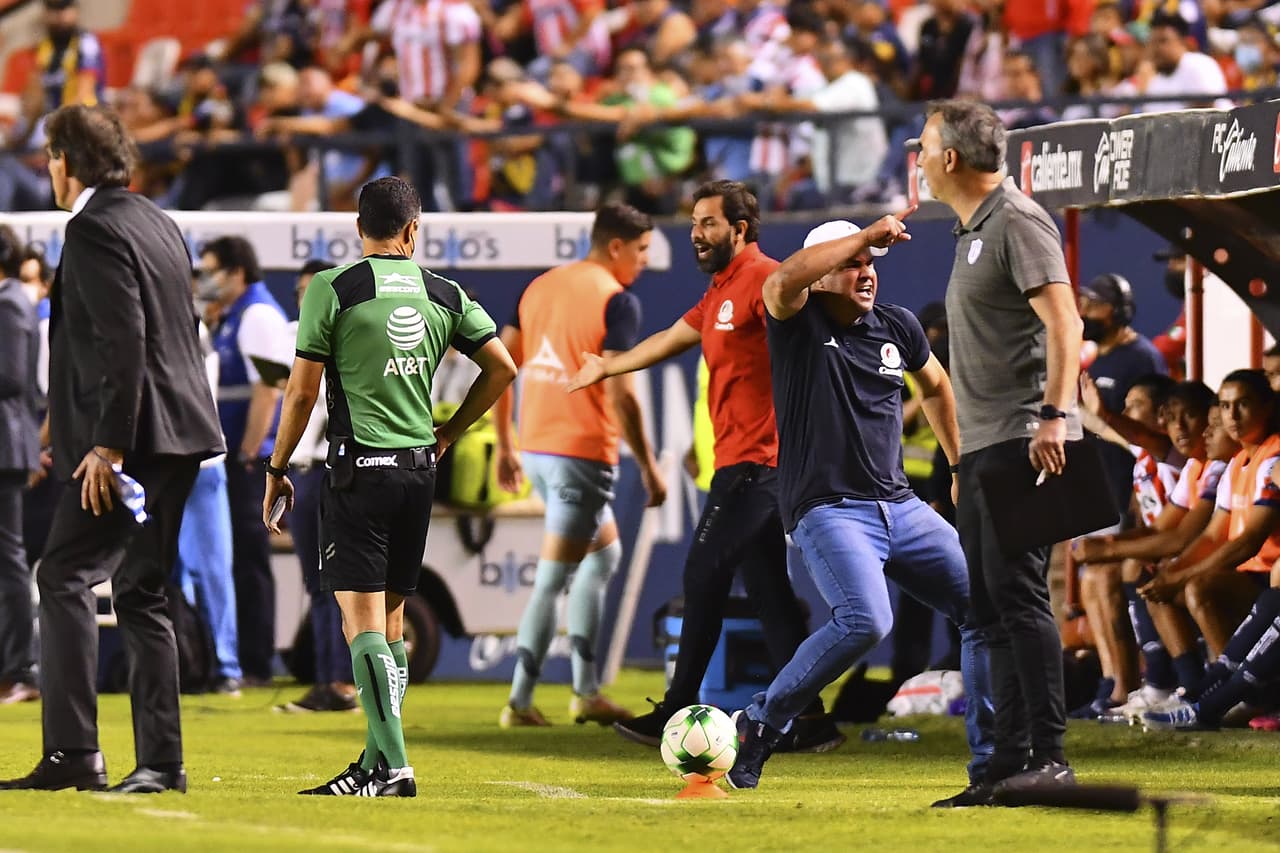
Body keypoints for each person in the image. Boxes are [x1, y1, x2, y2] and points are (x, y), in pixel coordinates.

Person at [722, 217, 994, 798]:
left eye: (869, 264)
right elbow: (782, 280)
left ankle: (994, 764)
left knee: (986, 609)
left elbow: (936, 385)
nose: (866, 273)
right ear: (821, 275)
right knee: (866, 621)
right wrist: (866, 234)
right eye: (850, 265)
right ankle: (763, 722)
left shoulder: (897, 325)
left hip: (901, 505)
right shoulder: (796, 320)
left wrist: (958, 466)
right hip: (829, 510)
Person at [263, 176, 516, 797]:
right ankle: (374, 763)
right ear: (413, 229)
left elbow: (301, 391)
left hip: (358, 472)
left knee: (361, 627)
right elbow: (502, 367)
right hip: (418, 472)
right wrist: (450, 431)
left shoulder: (333, 287)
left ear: (358, 229)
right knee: (392, 627)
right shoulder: (445, 292)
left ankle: (396, 764)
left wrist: (277, 467)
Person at [570, 180, 841, 754]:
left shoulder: (765, 279)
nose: (696, 233)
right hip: (739, 462)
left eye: (708, 223)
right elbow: (672, 337)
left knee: (702, 574)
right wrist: (608, 367)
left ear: (740, 229)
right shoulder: (721, 288)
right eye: (694, 222)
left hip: (759, 465)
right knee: (769, 592)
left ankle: (677, 707)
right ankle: (812, 719)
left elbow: (806, 337)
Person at [0, 104, 223, 794]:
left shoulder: (92, 227)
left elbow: (124, 340)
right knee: (141, 591)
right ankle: (162, 763)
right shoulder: (158, 220)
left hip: (133, 442)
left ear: (66, 160)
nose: (47, 169)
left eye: (50, 155)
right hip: (179, 435)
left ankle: (73, 752)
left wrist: (109, 447)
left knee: (63, 573)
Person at [917, 99, 1083, 801]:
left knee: (1018, 599)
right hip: (986, 447)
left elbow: (1066, 323)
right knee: (987, 609)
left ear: (951, 158)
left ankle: (1050, 756)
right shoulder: (972, 230)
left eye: (924, 146)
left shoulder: (1017, 219)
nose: (919, 159)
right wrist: (961, 461)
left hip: (1023, 438)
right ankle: (1003, 768)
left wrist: (1054, 416)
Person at [493, 202, 666, 727]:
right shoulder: (617, 301)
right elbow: (623, 395)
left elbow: (500, 366)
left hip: (537, 450)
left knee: (603, 555)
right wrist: (650, 467)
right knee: (553, 578)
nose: (643, 262)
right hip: (581, 456)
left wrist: (506, 445)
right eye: (640, 251)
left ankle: (586, 693)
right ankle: (519, 703)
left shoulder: (540, 286)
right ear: (616, 247)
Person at [200, 236, 288, 687]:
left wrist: (250, 454)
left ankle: (256, 661)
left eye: (211, 270)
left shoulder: (257, 316)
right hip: (234, 458)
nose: (205, 280)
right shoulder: (232, 316)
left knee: (251, 560)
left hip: (249, 462)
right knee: (235, 559)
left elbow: (268, 391)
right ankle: (239, 656)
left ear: (237, 272)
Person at [279, 260, 357, 714]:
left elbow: (311, 401)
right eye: (300, 291)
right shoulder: (305, 339)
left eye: (313, 291)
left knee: (333, 584)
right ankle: (331, 680)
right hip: (308, 471)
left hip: (326, 470)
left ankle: (340, 683)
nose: (304, 299)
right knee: (321, 584)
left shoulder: (337, 343)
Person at [0, 225, 41, 705]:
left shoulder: (10, 303)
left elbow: (9, 377)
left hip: (5, 448)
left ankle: (22, 669)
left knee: (8, 560)